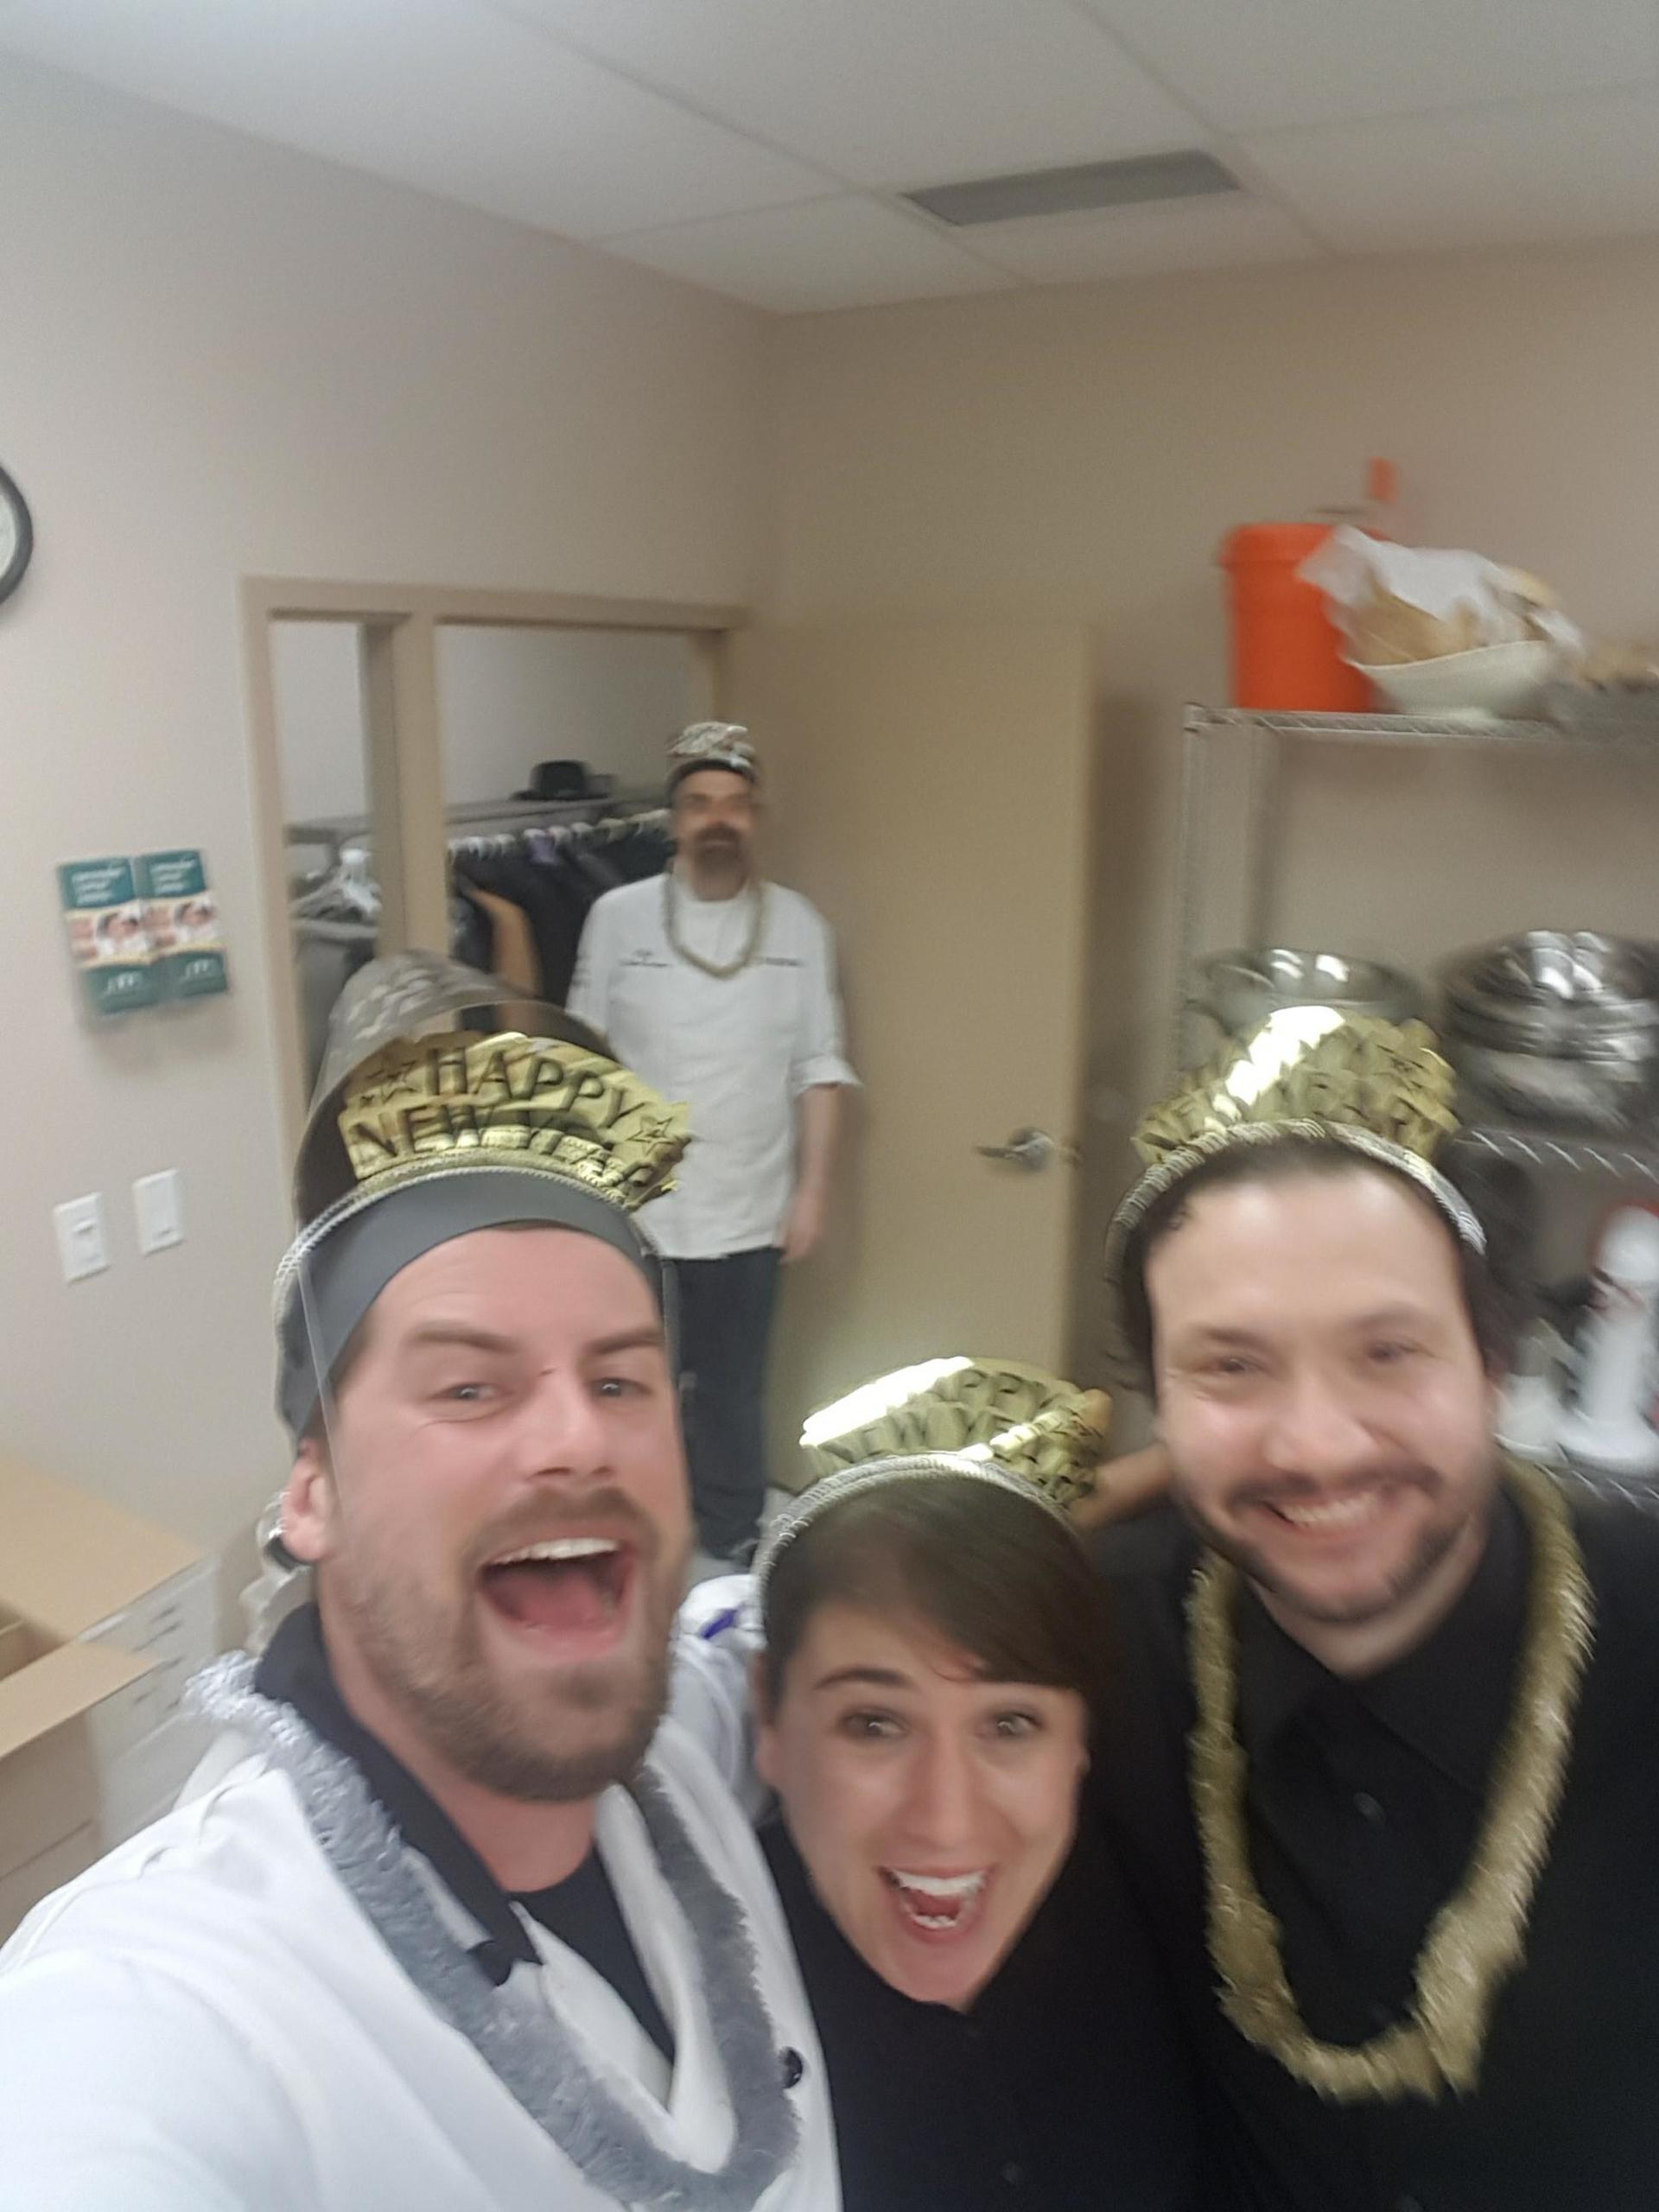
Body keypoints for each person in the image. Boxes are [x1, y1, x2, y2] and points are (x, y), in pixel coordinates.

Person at [0, 957, 836, 2211]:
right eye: (469, 1386)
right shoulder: (159, 2009)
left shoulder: (695, 1748)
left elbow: (777, 1612)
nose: (576, 1438)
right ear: (312, 1494)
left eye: (621, 1380)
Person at [1087, 1007, 1659, 2212]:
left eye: (1388, 1353)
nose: (1316, 1446)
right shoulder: (1080, 1657)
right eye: (1231, 1367)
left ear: (1496, 1364)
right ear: (1158, 1399)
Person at [676, 1357, 1202, 2212]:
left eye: (1010, 1725)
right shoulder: (689, 2024)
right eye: (874, 1725)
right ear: (768, 1719)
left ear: (1081, 1739)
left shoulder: (1167, 1899)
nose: (946, 1820)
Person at [569, 722, 858, 1575]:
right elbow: (585, 1060)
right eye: (699, 805)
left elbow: (821, 1067)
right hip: (637, 1210)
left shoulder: (799, 925)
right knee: (624, 1382)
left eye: (733, 805)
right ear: (674, 820)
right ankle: (630, 1522)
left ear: (756, 817)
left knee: (731, 1392)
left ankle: (729, 1534)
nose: (717, 821)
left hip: (749, 1202)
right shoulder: (616, 918)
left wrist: (812, 1195)